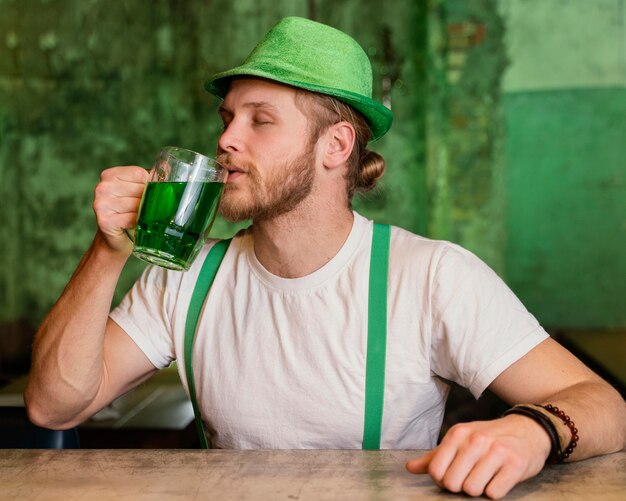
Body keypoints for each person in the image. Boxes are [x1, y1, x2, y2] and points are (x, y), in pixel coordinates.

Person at [25, 16, 624, 500]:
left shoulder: (430, 276)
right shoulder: (186, 276)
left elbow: (604, 406)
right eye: (228, 118)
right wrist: (108, 252)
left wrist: (533, 431)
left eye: (261, 121)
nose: (227, 139)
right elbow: (54, 405)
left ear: (335, 146)